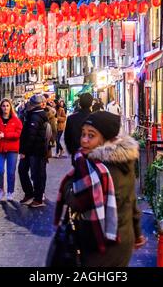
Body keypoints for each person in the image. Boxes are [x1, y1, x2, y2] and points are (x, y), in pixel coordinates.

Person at [54, 111, 146, 267]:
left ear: (106, 140)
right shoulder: (124, 162)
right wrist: (137, 234)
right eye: (83, 134)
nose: (84, 140)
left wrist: (69, 185)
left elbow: (77, 202)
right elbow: (131, 202)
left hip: (99, 243)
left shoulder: (95, 170)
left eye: (91, 136)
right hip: (123, 239)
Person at [18, 94, 49, 207]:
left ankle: (38, 198)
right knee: (24, 170)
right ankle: (30, 194)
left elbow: (31, 136)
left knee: (36, 174)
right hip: (31, 150)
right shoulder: (32, 114)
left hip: (35, 151)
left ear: (33, 105)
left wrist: (24, 152)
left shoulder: (36, 116)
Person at [0, 98, 22, 201]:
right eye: (3, 106)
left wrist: (5, 135)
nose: (5, 108)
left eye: (7, 106)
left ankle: (10, 191)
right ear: (1, 107)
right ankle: (1, 189)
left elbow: (18, 134)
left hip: (12, 149)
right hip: (0, 149)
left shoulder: (16, 121)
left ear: (10, 107)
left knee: (11, 172)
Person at [64, 92, 93, 157]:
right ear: (91, 103)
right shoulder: (96, 118)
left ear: (79, 103)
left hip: (76, 153)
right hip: (92, 153)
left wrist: (72, 151)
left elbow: (67, 138)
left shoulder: (71, 118)